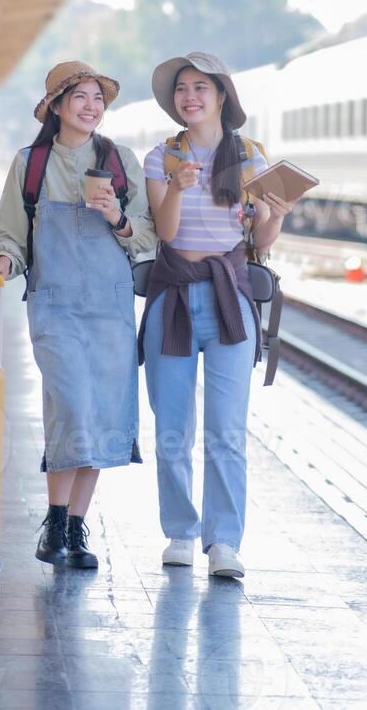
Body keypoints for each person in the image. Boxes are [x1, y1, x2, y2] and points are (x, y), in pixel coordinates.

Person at [0, 61, 157, 569]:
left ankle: (73, 531)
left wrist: (116, 218)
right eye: (80, 96)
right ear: (56, 106)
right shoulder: (30, 163)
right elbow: (12, 235)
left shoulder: (119, 161)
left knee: (102, 413)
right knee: (74, 407)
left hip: (110, 307)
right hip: (55, 306)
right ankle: (54, 520)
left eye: (98, 98)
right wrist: (2, 262)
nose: (91, 106)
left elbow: (147, 235)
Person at [139, 52, 298, 578]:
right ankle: (181, 533)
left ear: (222, 96)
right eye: (182, 89)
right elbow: (165, 232)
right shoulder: (162, 158)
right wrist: (179, 189)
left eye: (200, 88)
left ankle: (224, 542)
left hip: (230, 299)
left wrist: (273, 215)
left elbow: (261, 239)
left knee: (227, 431)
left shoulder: (251, 159)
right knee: (171, 429)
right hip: (175, 298)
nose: (190, 97)